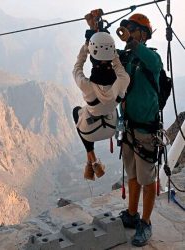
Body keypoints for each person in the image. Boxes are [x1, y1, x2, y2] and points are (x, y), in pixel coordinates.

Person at [114, 13, 163, 247]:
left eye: (132, 30)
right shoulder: (128, 60)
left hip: (146, 131)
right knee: (132, 175)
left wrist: (132, 43)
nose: (128, 34)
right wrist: (94, 31)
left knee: (147, 179)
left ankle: (146, 222)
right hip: (130, 129)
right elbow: (105, 60)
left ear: (143, 34)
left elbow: (153, 64)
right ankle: (132, 214)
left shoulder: (152, 59)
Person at [72, 10, 130, 181]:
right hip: (110, 128)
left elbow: (78, 66)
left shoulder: (87, 86)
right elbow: (118, 66)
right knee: (87, 114)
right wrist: (111, 52)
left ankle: (91, 159)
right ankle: (92, 163)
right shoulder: (122, 81)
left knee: (77, 112)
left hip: (90, 132)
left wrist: (87, 46)